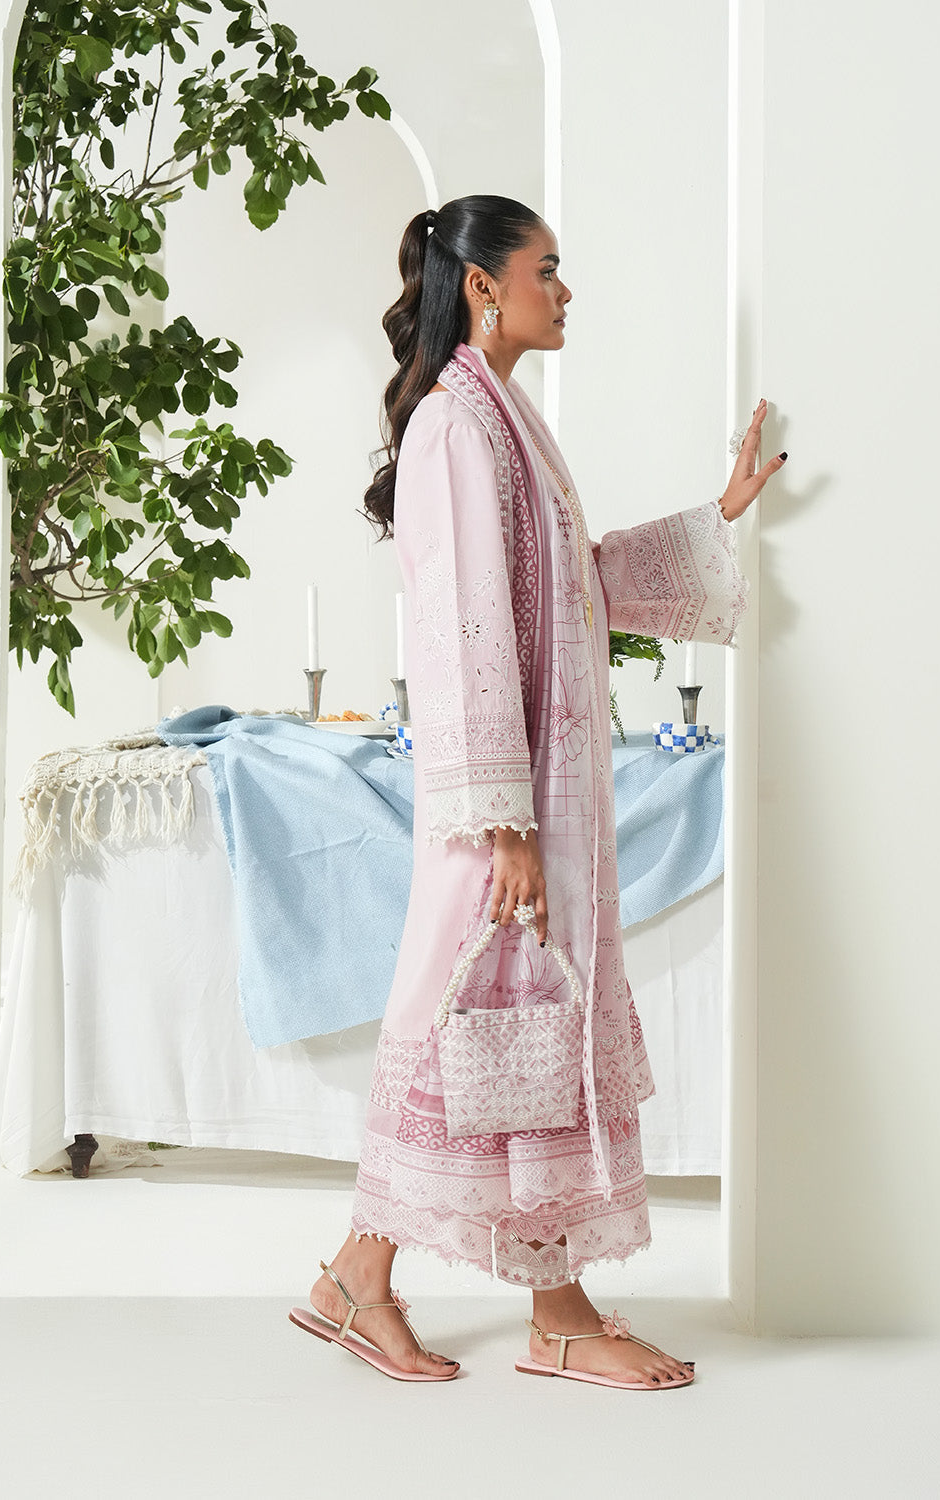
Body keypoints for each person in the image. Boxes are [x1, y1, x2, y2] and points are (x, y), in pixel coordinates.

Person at [289, 195, 785, 1388]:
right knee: (497, 1022)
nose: (564, 293)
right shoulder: (457, 426)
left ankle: (364, 1280)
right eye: (546, 271)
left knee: (494, 1024)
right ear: (482, 285)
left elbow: (570, 586)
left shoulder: (500, 418)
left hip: (528, 794)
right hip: (500, 806)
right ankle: (542, 1315)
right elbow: (462, 627)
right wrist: (503, 823)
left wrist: (714, 520)